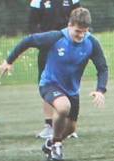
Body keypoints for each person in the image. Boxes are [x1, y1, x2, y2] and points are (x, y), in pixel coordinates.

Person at [0, 7, 109, 161]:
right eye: (77, 31)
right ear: (69, 25)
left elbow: (102, 68)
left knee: (70, 128)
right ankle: (57, 145)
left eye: (84, 32)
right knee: (63, 106)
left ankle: (50, 143)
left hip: (72, 90)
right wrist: (9, 61)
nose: (81, 35)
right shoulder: (55, 38)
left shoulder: (91, 43)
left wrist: (100, 90)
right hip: (49, 84)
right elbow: (29, 40)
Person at [25, 0, 83, 139]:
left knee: (69, 84)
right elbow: (32, 24)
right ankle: (49, 126)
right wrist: (42, 41)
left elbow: (79, 19)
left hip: (69, 48)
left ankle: (69, 126)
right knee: (47, 84)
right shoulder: (38, 1)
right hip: (47, 48)